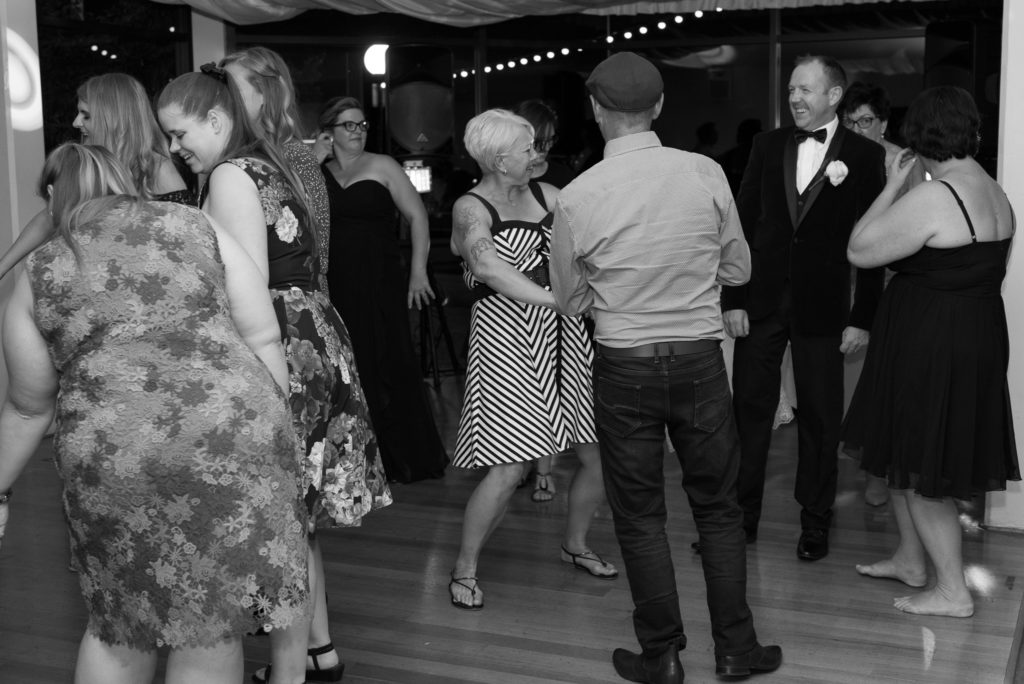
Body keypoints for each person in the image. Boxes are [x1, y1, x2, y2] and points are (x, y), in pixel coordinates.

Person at [0, 143, 308, 683]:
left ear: (54, 195)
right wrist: (279, 438)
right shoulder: (194, 224)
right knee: (210, 622)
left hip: (116, 455)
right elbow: (263, 335)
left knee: (118, 623)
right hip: (232, 437)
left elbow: (28, 408)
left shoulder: (41, 268)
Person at [550, 51, 781, 684]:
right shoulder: (705, 172)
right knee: (719, 510)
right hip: (701, 361)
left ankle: (663, 656)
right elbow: (738, 271)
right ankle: (736, 649)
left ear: (597, 112)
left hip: (624, 365)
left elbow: (570, 301)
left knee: (641, 514)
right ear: (658, 107)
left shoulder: (574, 197)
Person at [157, 67, 392, 684]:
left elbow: (245, 288)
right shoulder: (269, 163)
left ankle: (291, 673)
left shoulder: (231, 174)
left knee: (283, 524)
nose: (175, 148)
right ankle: (311, 660)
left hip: (281, 349)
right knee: (296, 520)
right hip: (315, 336)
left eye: (180, 133)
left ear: (215, 119)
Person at [843, 86, 1019, 617]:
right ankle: (911, 560)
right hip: (973, 336)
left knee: (923, 469)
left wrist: (893, 182)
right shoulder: (994, 190)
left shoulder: (937, 197)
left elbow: (860, 248)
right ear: (971, 130)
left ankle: (952, 590)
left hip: (931, 342)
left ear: (917, 136)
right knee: (906, 453)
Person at [448, 108, 618, 610]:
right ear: (500, 159)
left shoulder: (552, 195)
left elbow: (589, 247)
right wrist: (557, 301)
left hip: (569, 339)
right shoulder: (470, 208)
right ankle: (464, 568)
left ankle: (576, 544)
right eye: (527, 147)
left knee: (598, 454)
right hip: (507, 340)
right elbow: (487, 266)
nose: (537, 154)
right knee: (510, 467)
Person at [724, 55, 886, 562]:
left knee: (819, 419)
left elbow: (874, 245)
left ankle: (815, 522)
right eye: (792, 89)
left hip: (824, 308)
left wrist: (863, 317)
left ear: (834, 95)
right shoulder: (767, 145)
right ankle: (739, 519)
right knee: (748, 411)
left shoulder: (862, 155)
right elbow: (741, 228)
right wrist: (733, 298)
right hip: (762, 302)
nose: (795, 98)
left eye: (806, 90)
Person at [316, 96, 448, 484]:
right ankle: (355, 460)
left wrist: (419, 272)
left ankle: (401, 455)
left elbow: (417, 215)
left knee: (389, 358)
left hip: (380, 278)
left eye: (362, 125)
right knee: (346, 366)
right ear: (330, 131)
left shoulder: (383, 164)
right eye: (349, 125)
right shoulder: (316, 170)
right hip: (335, 281)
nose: (357, 132)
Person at [0, 72, 190, 281]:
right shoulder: (86, 165)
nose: (75, 122)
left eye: (86, 115)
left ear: (114, 117)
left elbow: (186, 236)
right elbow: (49, 217)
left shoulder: (156, 168)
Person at [220, 46, 332, 295]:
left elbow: (320, 253)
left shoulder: (296, 155)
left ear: (265, 94)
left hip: (292, 302)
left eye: (234, 91)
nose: (225, 100)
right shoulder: (233, 159)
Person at [511, 98, 575, 502]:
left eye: (550, 141)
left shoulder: (564, 175)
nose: (545, 149)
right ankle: (515, 460)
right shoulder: (502, 174)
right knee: (521, 386)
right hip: (512, 296)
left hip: (555, 291)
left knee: (552, 382)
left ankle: (544, 470)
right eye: (539, 140)